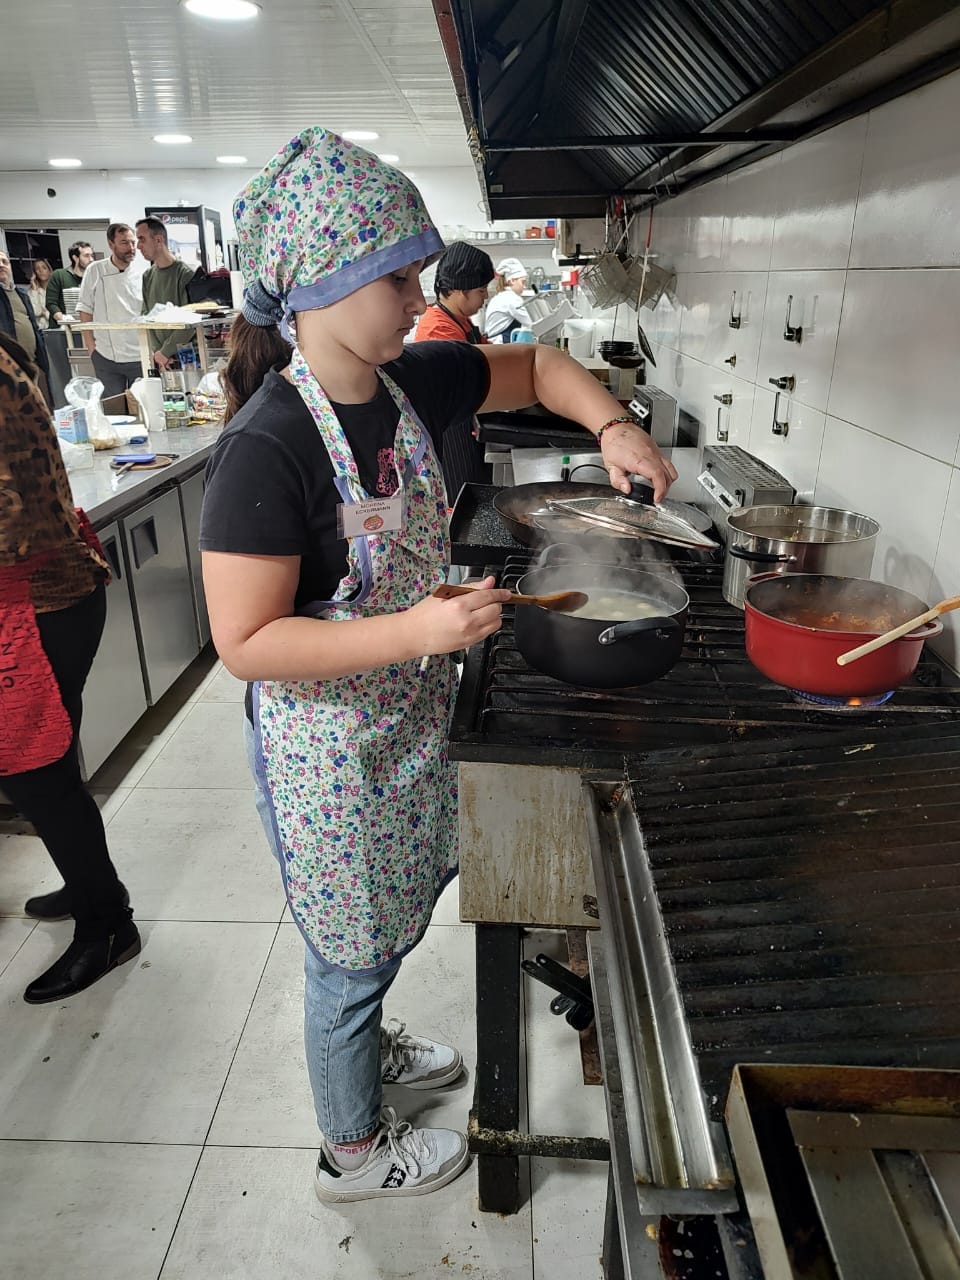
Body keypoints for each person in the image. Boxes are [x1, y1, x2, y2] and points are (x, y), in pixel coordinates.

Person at [199, 127, 675, 1205]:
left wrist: (614, 424)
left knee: (385, 919)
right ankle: (351, 1151)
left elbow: (545, 367)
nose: (417, 295)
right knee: (345, 953)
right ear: (320, 284)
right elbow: (247, 641)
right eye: (397, 275)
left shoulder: (408, 378)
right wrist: (417, 631)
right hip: (331, 745)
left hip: (405, 719)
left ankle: (367, 1035)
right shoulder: (267, 445)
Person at [0, 332, 139, 1004]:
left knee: (38, 776)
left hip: (33, 605)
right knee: (49, 772)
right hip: (50, 596)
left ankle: (107, 925)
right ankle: (89, 882)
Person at [414, 241, 495, 499]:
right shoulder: (439, 329)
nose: (486, 297)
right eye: (481, 290)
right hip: (451, 433)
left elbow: (488, 357)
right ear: (460, 290)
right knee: (463, 501)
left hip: (464, 421)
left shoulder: (460, 321)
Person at [76, 223, 143, 401]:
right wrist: (92, 349)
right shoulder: (95, 270)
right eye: (124, 243)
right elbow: (85, 309)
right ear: (110, 244)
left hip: (138, 354)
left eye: (133, 242)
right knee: (114, 409)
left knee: (144, 406)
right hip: (105, 355)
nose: (131, 248)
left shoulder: (142, 273)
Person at [135, 217, 197, 371]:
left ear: (158, 240)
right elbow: (146, 316)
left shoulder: (185, 274)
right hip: (161, 359)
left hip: (185, 356)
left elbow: (191, 322)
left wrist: (165, 351)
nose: (138, 246)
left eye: (142, 239)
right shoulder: (148, 276)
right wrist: (158, 352)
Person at [45, 240, 93, 406]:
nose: (91, 259)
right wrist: (63, 318)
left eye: (91, 255)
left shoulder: (91, 277)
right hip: (63, 334)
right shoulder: (60, 275)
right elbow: (51, 303)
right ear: (75, 257)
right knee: (66, 376)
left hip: (86, 331)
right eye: (86, 255)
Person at [0, 249, 51, 399]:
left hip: (31, 362)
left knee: (38, 405)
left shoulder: (21, 294)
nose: (1, 265)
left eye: (4, 262)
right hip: (8, 366)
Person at [482, 256, 530, 342]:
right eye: (523, 282)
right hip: (500, 345)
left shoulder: (503, 296)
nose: (524, 286)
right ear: (512, 281)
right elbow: (529, 322)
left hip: (496, 344)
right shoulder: (510, 298)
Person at [28, 259, 53, 330]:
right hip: (41, 329)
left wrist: (45, 313)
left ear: (49, 270)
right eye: (37, 269)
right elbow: (36, 312)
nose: (41, 271)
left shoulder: (56, 289)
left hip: (57, 328)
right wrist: (34, 290)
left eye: (44, 268)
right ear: (35, 273)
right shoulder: (32, 291)